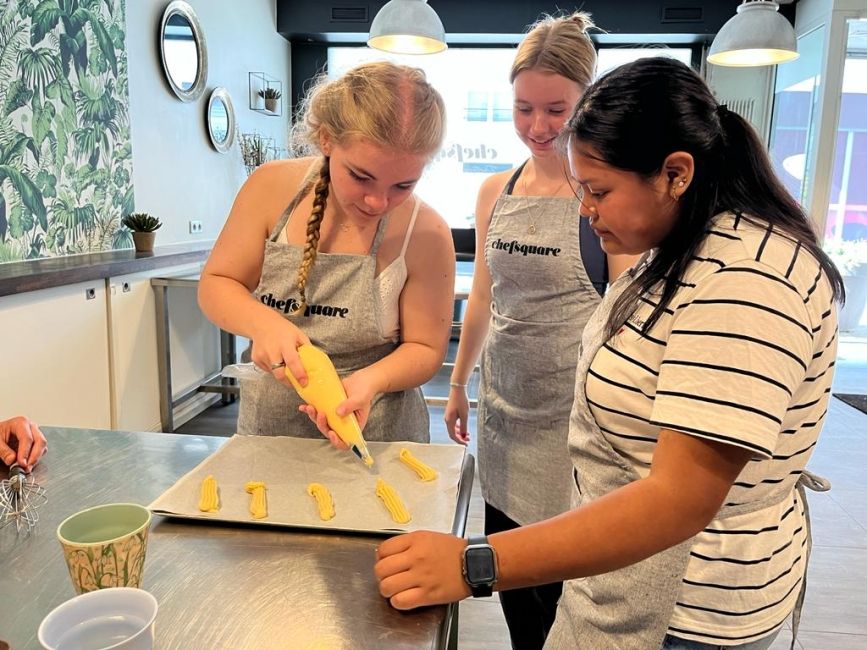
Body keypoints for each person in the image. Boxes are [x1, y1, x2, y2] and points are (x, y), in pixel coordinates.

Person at [375, 57, 844, 650]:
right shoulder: (678, 245)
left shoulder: (746, 281)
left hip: (687, 606)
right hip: (621, 576)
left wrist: (476, 563)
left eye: (598, 191)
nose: (586, 209)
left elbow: (676, 501)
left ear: (676, 174)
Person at [443, 13, 636, 649]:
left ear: (587, 98)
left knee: (566, 596)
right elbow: (484, 298)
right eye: (525, 108)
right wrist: (459, 382)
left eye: (556, 109)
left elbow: (624, 318)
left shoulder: (605, 195)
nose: (538, 127)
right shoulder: (496, 189)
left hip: (577, 430)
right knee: (508, 581)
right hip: (504, 421)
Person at [199, 61, 454, 443]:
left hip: (379, 433)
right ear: (326, 139)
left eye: (403, 185)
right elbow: (217, 284)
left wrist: (370, 381)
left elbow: (425, 348)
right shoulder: (269, 189)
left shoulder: (427, 233)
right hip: (271, 432)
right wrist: (264, 324)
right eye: (360, 176)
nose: (377, 201)